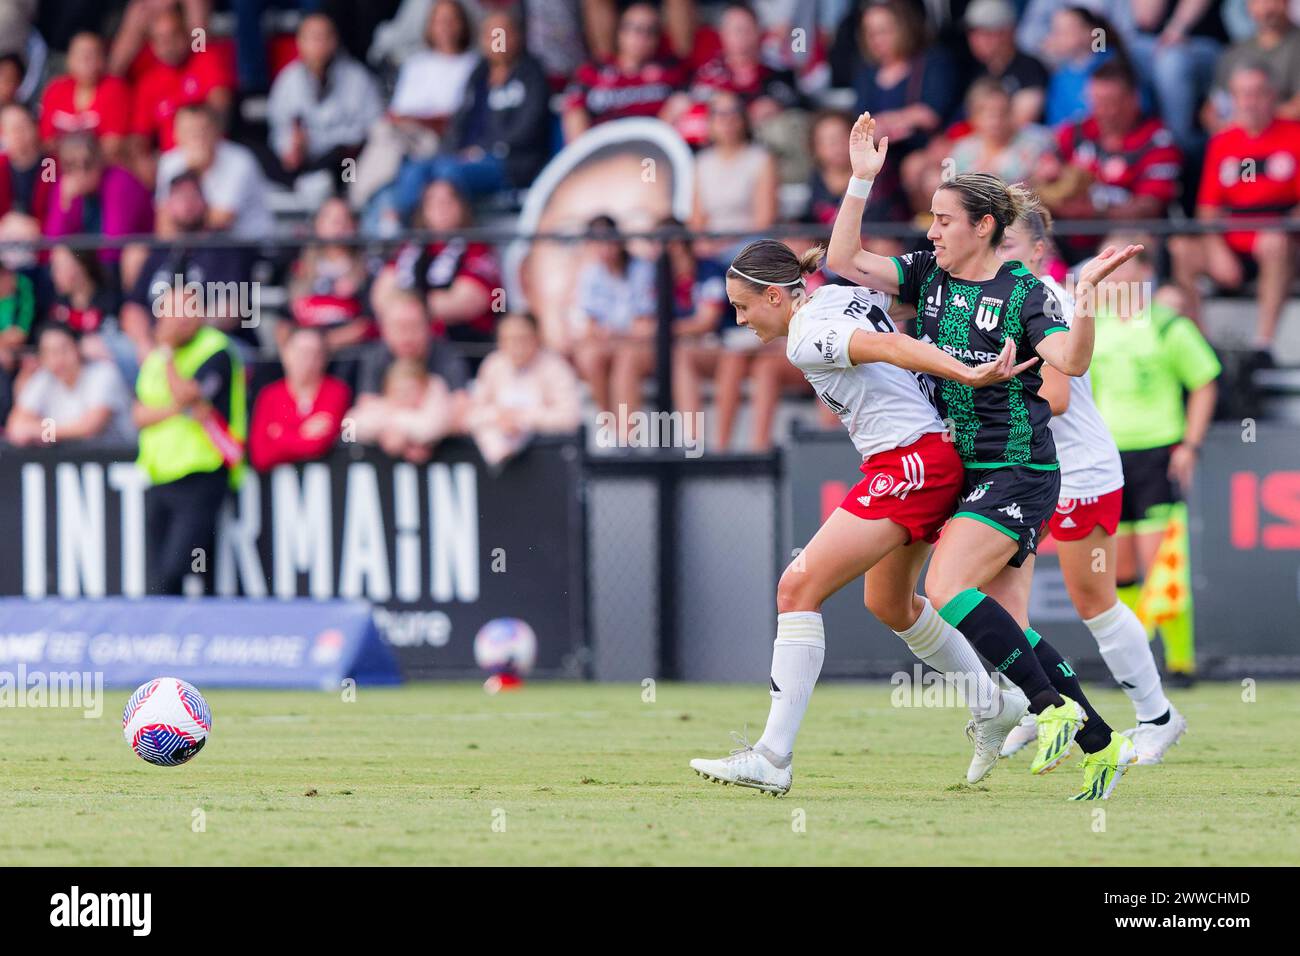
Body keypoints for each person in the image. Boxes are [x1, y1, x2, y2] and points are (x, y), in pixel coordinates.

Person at [825, 113, 1146, 798]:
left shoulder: (1026, 292)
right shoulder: (926, 277)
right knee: (1015, 628)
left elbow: (1071, 359)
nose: (931, 231)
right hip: (970, 470)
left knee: (942, 589)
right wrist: (859, 180)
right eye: (932, 218)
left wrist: (1084, 300)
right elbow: (843, 262)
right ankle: (1103, 743)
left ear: (983, 227)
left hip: (1019, 469)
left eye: (944, 220)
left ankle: (1051, 709)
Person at [690, 239, 1039, 796]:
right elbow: (885, 318)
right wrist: (859, 180)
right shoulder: (835, 294)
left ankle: (772, 757)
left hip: (912, 459)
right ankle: (993, 705)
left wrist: (967, 374)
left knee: (797, 588)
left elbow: (891, 347)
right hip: (919, 456)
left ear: (776, 297)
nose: (739, 318)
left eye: (743, 306)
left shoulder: (805, 338)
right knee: (888, 602)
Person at [995, 207, 1187, 765]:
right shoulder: (994, 297)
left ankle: (1158, 716)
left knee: (1096, 602)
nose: (998, 253)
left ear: (1037, 250)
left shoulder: (1043, 299)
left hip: (1078, 469)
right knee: (993, 596)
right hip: (1025, 467)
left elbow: (1053, 398)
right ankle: (1040, 703)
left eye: (1010, 244)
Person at [1089, 234, 1221, 686]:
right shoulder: (1094, 323)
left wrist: (1189, 444)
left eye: (1121, 261)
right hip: (1109, 456)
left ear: (1144, 272)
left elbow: (1205, 381)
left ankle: (1180, 662)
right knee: (1120, 569)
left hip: (1156, 453)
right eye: (1105, 260)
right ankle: (1133, 665)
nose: (1112, 269)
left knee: (1160, 562)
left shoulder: (1167, 325)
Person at [1171, 63, 1300, 357]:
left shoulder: (1295, 135)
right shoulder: (1222, 141)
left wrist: (1280, 227)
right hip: (1231, 242)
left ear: (1273, 96)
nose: (1250, 102)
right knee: (1181, 248)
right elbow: (1207, 210)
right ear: (1234, 99)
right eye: (1242, 94)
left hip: (1282, 244)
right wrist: (1216, 248)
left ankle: (1263, 345)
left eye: (1258, 94)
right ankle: (1201, 345)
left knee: (1274, 243)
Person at [380, 8, 552, 227]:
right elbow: (460, 122)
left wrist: (483, 150)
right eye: (491, 34)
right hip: (467, 157)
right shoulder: (478, 73)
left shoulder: (532, 73)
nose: (496, 40)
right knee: (416, 170)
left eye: (502, 33)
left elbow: (529, 128)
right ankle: (408, 234)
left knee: (447, 172)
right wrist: (453, 151)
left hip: (510, 163)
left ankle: (458, 243)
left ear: (518, 36)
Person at [133, 287, 247, 596]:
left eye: (187, 311)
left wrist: (168, 353)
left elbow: (188, 394)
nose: (180, 320)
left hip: (203, 471)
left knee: (176, 569)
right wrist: (174, 410)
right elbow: (139, 413)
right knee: (162, 573)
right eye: (173, 312)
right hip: (161, 473)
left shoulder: (215, 350)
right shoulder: (156, 357)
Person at [266, 13, 384, 195]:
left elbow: (374, 127)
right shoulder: (288, 80)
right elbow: (278, 128)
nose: (319, 43)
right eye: (312, 37)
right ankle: (303, 191)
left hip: (345, 161)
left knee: (347, 161)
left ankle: (347, 199)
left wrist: (337, 144)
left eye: (324, 37)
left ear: (334, 41)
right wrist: (291, 147)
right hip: (305, 161)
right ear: (300, 42)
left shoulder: (357, 78)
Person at [465, 312, 582, 467]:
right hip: (498, 462)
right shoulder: (493, 365)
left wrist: (523, 420)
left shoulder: (556, 368)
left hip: (548, 462)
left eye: (522, 338)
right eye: (509, 339)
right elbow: (471, 415)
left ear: (537, 338)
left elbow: (570, 417)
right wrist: (499, 417)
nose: (516, 346)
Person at [569, 214, 656, 415]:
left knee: (626, 359)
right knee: (590, 358)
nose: (605, 250)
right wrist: (608, 335)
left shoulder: (643, 270)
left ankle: (627, 436)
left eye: (609, 242)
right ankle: (609, 424)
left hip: (639, 345)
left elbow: (644, 328)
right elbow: (590, 326)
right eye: (598, 244)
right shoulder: (590, 274)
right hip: (611, 342)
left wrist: (614, 334)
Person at [562, 3, 685, 142]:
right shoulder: (593, 72)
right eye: (636, 29)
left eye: (651, 31)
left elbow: (682, 105)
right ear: (620, 32)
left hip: (651, 150)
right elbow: (574, 112)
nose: (643, 37)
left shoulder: (671, 72)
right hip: (602, 151)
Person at [156, 103, 273, 239]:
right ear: (176, 134)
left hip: (246, 244)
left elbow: (221, 220)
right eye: (189, 131)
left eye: (203, 131)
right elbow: (163, 222)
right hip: (193, 245)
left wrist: (194, 171)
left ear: (217, 131)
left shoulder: (239, 161)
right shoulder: (169, 162)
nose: (196, 139)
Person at [689, 91, 778, 266]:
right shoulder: (702, 162)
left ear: (743, 118)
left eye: (733, 113)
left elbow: (764, 219)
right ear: (710, 121)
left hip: (749, 245)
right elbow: (697, 218)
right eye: (719, 114)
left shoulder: (761, 159)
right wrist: (704, 243)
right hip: (711, 247)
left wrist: (722, 243)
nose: (727, 121)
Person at [6, 324, 135, 444]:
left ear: (78, 348)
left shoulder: (103, 372)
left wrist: (41, 432)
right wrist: (46, 432)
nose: (58, 359)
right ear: (42, 358)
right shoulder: (43, 378)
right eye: (50, 352)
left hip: (122, 460)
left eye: (64, 349)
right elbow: (16, 428)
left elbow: (90, 427)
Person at [248, 326, 351, 471]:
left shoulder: (336, 391)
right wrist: (303, 433)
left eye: (315, 354)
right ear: (286, 354)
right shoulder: (269, 395)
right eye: (301, 353)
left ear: (324, 359)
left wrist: (279, 435)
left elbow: (318, 445)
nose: (308, 360)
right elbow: (260, 455)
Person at [37, 32, 130, 163]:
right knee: (46, 172)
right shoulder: (55, 89)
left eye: (92, 54)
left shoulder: (114, 88)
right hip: (58, 166)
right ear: (69, 59)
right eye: (80, 54)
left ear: (102, 60)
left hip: (100, 166)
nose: (86, 59)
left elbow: (113, 145)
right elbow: (47, 143)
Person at [347, 357, 455, 463]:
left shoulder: (433, 404)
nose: (404, 395)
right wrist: (383, 434)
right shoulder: (381, 407)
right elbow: (349, 427)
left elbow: (432, 428)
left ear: (424, 389)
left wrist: (402, 433)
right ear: (388, 391)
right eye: (398, 390)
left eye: (411, 389)